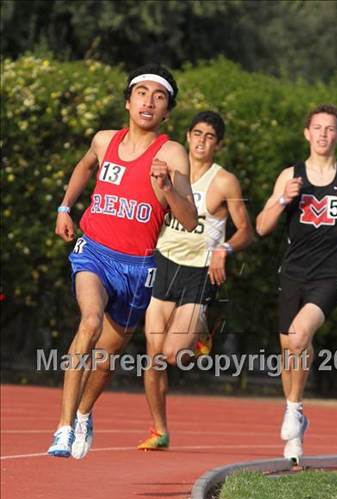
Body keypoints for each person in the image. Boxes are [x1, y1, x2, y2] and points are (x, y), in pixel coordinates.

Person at [47, 64, 198, 458]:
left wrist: (167, 187)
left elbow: (190, 218)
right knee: (90, 322)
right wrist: (65, 207)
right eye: (142, 93)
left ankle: (83, 413)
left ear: (166, 112)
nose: (149, 101)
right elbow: (84, 167)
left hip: (138, 268)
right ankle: (62, 429)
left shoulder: (171, 152)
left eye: (159, 97)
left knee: (105, 360)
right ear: (128, 101)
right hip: (94, 252)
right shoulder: (103, 141)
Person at [256, 104, 337, 463]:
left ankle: (293, 409)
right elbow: (262, 227)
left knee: (298, 336)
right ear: (306, 134)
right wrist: (283, 199)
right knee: (290, 346)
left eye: (330, 129)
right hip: (293, 272)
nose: (323, 134)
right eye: (317, 128)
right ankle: (297, 425)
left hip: (330, 272)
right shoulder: (289, 176)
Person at [137, 111, 254, 450]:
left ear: (218, 144)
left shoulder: (224, 181)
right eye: (197, 134)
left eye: (210, 137)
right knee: (153, 356)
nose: (202, 142)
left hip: (199, 270)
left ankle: (201, 331)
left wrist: (225, 250)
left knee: (174, 354)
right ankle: (160, 430)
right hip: (164, 262)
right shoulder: (169, 171)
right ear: (187, 136)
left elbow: (245, 229)